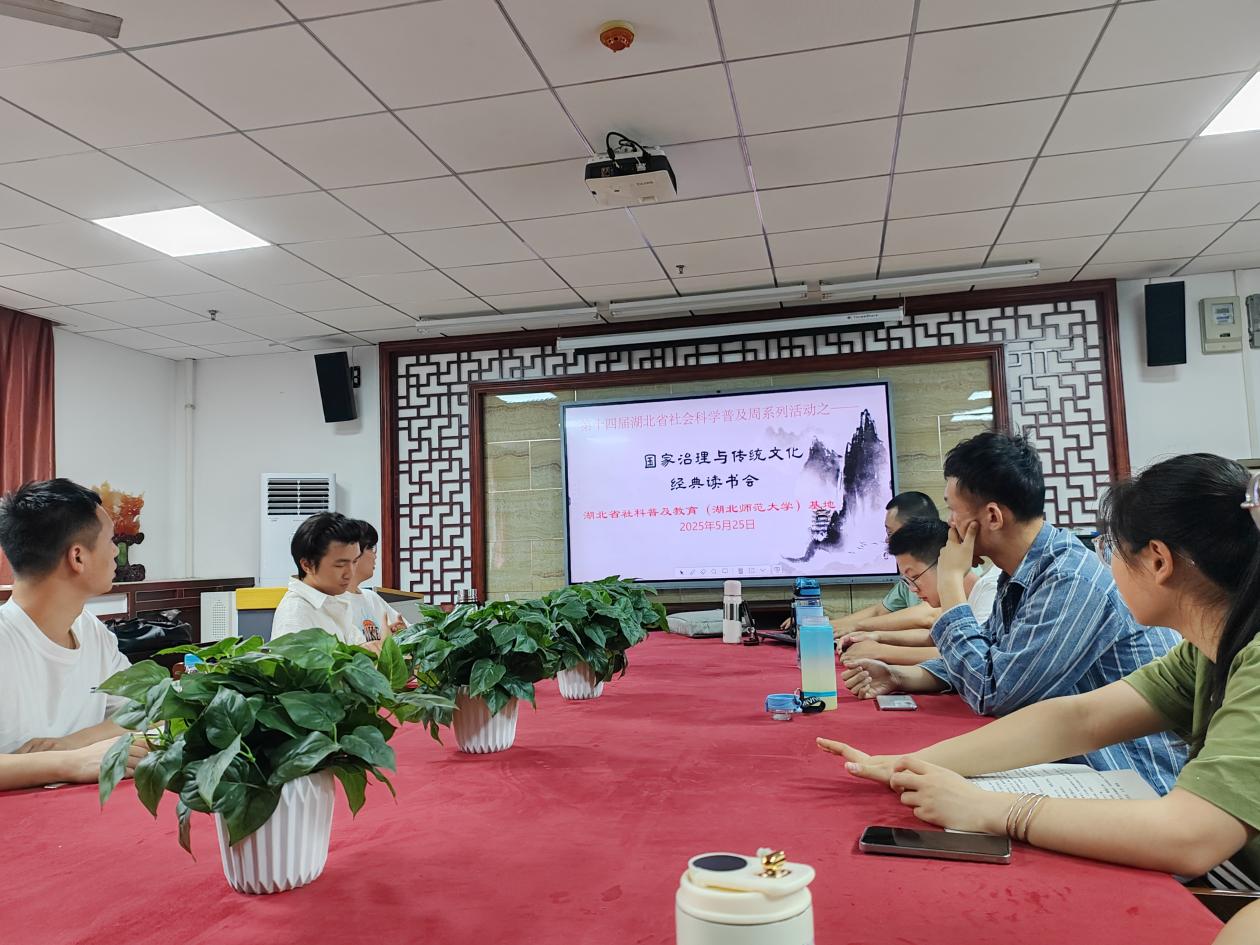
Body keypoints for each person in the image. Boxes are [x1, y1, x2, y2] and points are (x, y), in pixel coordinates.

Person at [818, 454, 1259, 880]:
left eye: (1111, 548)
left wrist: (993, 810)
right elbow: (1077, 718)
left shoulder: (1075, 578)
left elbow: (1190, 837)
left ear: (1158, 561)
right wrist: (908, 764)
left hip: (1216, 864)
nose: (1106, 564)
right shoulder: (1204, 650)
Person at [838, 431, 1183, 793]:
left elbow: (995, 692)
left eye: (953, 510)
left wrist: (950, 582)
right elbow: (991, 655)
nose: (949, 524)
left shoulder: (1068, 579)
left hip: (1129, 778)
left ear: (992, 516)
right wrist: (901, 676)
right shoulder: (1021, 572)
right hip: (1069, 760)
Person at [0, 479, 147, 791]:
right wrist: (71, 761)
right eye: (110, 540)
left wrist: (75, 742)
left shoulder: (91, 631)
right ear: (78, 557)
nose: (115, 551)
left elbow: (151, 712)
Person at [839, 518, 1001, 667]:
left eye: (914, 577)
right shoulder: (969, 596)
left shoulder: (991, 591)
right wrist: (877, 636)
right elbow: (937, 637)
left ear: (945, 560)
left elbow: (968, 657)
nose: (913, 589)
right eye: (907, 580)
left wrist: (880, 651)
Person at [782, 492, 942, 635]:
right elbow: (880, 611)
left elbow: (928, 615)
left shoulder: (944, 566)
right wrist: (822, 626)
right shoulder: (908, 576)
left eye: (890, 532)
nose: (887, 540)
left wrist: (860, 629)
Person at [271, 512, 379, 651]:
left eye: (355, 561)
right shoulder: (295, 614)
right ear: (308, 565)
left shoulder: (335, 600)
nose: (350, 573)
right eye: (340, 565)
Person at [344, 520, 405, 643]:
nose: (375, 555)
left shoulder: (371, 597)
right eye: (371, 548)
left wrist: (400, 633)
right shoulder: (333, 603)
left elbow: (404, 629)